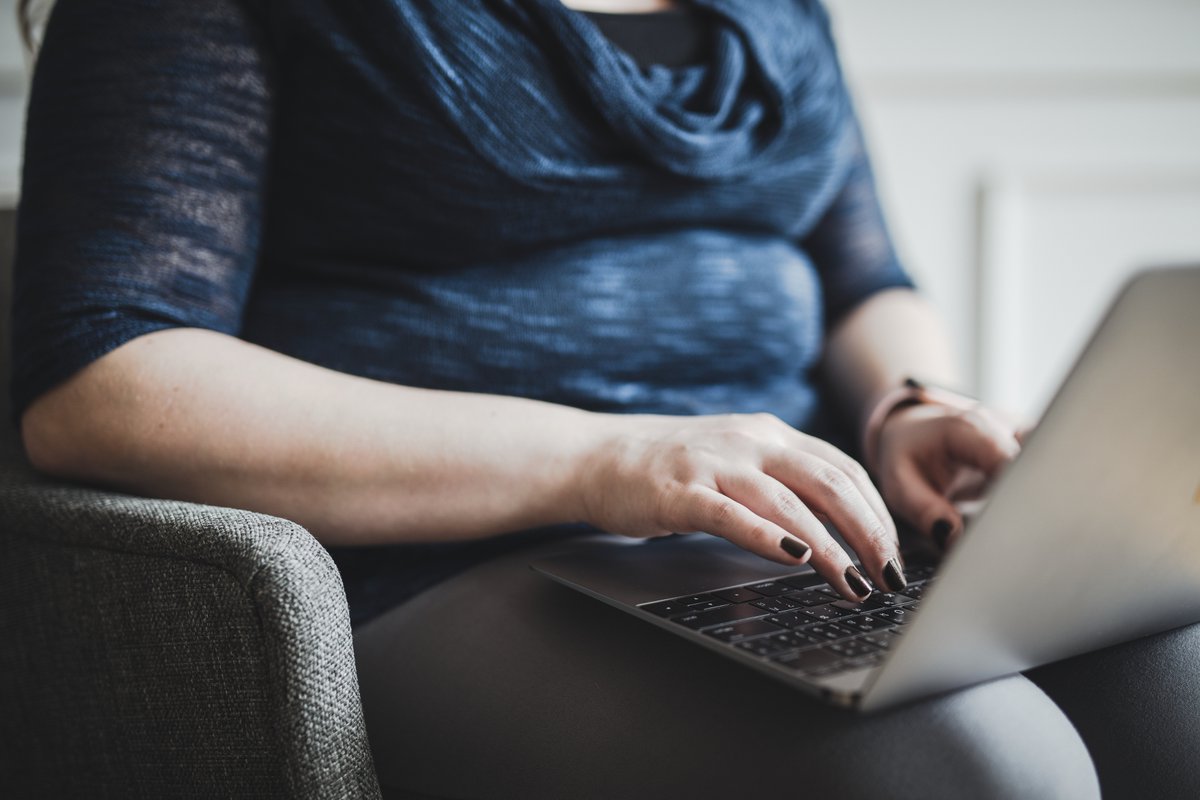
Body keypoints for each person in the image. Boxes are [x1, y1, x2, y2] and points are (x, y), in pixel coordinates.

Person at [10, 1, 1198, 798]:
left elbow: (860, 277)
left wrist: (904, 407)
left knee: (1179, 687)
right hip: (450, 564)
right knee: (988, 770)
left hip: (784, 544)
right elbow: (102, 379)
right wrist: (612, 459)